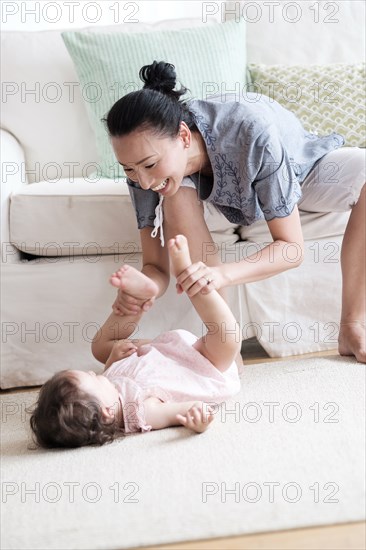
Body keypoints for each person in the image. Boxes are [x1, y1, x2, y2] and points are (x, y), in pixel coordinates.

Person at [101, 60, 366, 364]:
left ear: (184, 137)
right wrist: (145, 289)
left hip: (300, 171)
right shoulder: (144, 171)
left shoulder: (251, 130)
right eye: (129, 169)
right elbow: (156, 268)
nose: (144, 181)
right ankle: (225, 346)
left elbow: (292, 249)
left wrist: (221, 274)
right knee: (174, 196)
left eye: (149, 165)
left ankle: (353, 327)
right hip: (219, 194)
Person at [29, 235, 241, 449]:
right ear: (107, 411)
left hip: (166, 353)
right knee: (228, 337)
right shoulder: (141, 412)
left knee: (100, 346)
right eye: (93, 378)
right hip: (205, 367)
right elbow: (181, 411)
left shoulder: (108, 393)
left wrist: (114, 358)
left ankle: (137, 298)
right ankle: (187, 274)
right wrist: (198, 420)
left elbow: (110, 372)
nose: (95, 373)